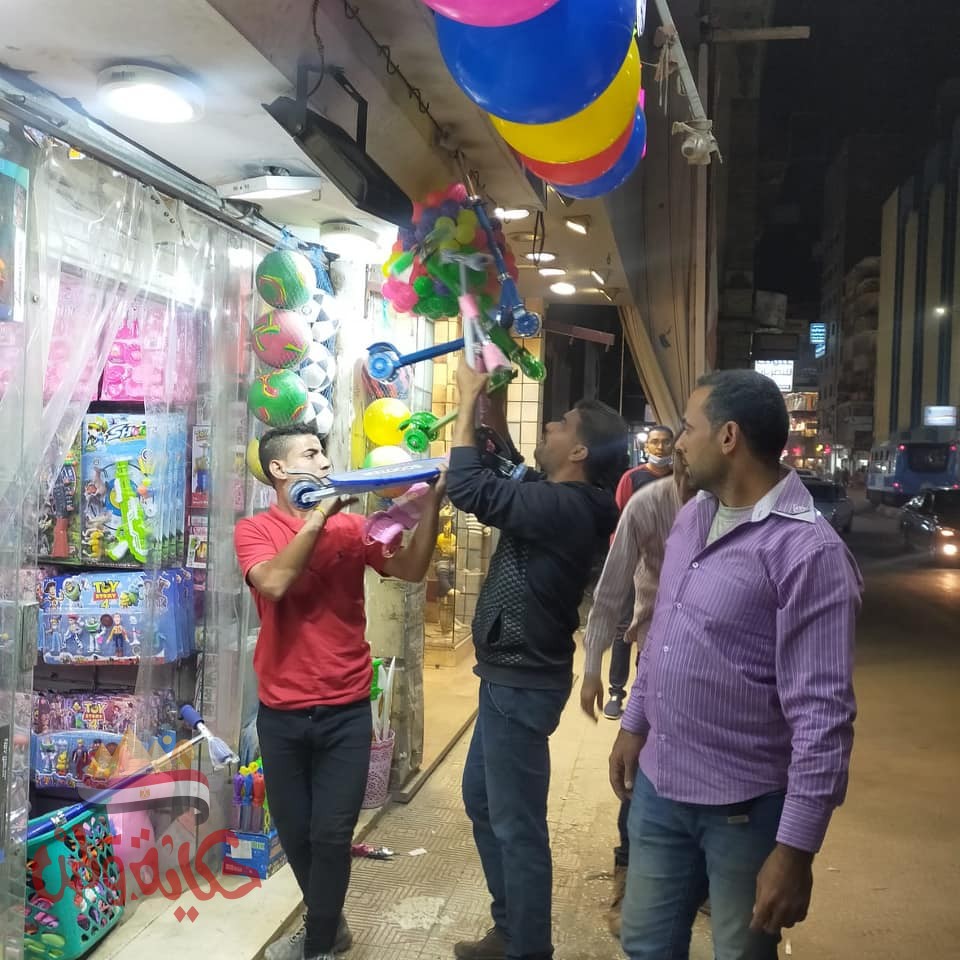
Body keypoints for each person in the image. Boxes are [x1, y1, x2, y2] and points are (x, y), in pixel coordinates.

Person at [608, 370, 862, 960]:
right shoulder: (694, 516)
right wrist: (636, 721)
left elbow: (823, 718)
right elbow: (666, 630)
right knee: (645, 945)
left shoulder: (809, 553)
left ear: (728, 437)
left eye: (687, 429)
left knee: (740, 954)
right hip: (660, 788)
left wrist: (795, 851)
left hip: (743, 812)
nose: (677, 443)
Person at [234, 424, 446, 960]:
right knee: (297, 835)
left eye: (324, 453)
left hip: (346, 708)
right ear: (278, 469)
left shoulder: (353, 528)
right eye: (311, 454)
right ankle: (331, 926)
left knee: (331, 836)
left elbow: (411, 570)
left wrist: (432, 506)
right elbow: (274, 584)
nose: (326, 462)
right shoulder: (254, 530)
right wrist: (318, 518)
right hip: (281, 712)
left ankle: (319, 945)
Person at [446, 362, 628, 960]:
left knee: (517, 825)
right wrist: (493, 411)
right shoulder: (562, 498)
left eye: (562, 423)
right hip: (510, 676)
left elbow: (471, 489)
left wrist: (466, 403)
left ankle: (527, 948)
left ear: (578, 451)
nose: (549, 425)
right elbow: (510, 470)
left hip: (521, 681)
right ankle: (512, 931)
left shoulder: (565, 508)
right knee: (483, 801)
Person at [579, 453, 694, 939]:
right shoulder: (648, 505)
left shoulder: (737, 505)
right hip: (655, 652)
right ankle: (629, 873)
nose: (688, 474)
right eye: (680, 461)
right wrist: (591, 668)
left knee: (701, 771)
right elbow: (610, 591)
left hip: (716, 665)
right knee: (639, 768)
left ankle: (700, 876)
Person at [604, 426, 676, 719]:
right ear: (647, 447)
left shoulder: (682, 479)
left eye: (665, 442)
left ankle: (643, 689)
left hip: (669, 566)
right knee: (625, 625)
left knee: (657, 627)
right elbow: (618, 520)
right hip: (634, 563)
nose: (660, 447)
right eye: (655, 442)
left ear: (673, 445)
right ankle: (615, 691)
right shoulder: (632, 478)